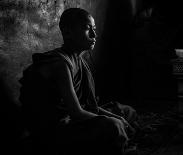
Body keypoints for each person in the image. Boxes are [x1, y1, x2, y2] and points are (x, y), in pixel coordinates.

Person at [19, 8, 136, 155]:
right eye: (87, 29)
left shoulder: (79, 61)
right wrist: (113, 121)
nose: (94, 35)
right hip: (57, 129)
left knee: (126, 112)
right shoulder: (61, 64)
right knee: (112, 125)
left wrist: (118, 117)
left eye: (94, 29)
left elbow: (89, 106)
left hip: (75, 119)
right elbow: (77, 113)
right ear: (68, 33)